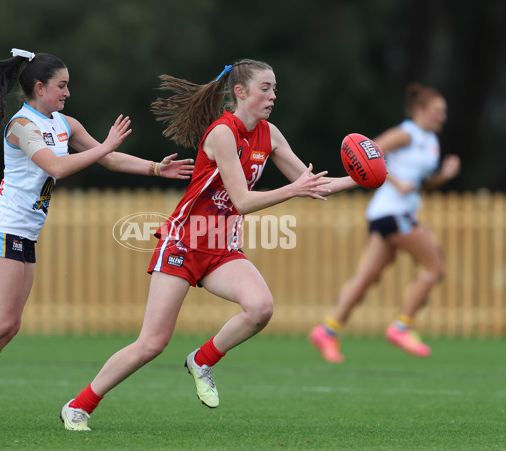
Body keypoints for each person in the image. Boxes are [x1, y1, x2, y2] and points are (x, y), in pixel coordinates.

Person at [59, 59, 361, 431]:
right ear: (240, 92)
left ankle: (202, 360)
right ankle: (79, 405)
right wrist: (294, 190)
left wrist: (363, 177)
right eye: (265, 88)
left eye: (274, 89)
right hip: (184, 242)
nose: (272, 96)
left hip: (221, 246)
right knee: (152, 343)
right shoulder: (223, 133)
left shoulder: (271, 134)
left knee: (261, 308)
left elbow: (314, 184)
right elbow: (244, 200)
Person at [0, 48, 194, 428]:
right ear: (40, 87)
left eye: (68, 86)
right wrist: (107, 146)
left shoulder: (65, 124)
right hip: (3, 228)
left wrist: (157, 168)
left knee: (10, 324)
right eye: (61, 86)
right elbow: (57, 166)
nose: (67, 92)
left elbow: (109, 160)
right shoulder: (21, 126)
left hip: (24, 233)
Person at [310, 83, 461, 363]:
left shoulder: (431, 142)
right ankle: (401, 327)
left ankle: (327, 330)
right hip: (393, 213)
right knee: (434, 266)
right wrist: (393, 180)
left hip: (390, 214)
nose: (443, 117)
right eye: (438, 111)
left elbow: (423, 185)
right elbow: (367, 158)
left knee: (366, 277)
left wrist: (445, 176)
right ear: (420, 110)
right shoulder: (405, 133)